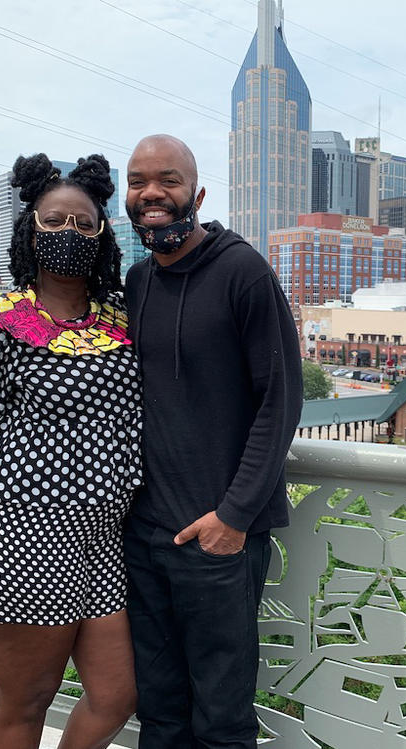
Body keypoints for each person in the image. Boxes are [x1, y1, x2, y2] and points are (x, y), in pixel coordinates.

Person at [0, 153, 140, 749]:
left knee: (118, 695)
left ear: (102, 236)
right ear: (28, 230)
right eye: (53, 222)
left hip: (101, 547)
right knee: (26, 702)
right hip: (18, 548)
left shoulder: (122, 322)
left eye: (84, 224)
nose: (69, 233)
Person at [123, 134, 303, 748]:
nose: (152, 194)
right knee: (161, 711)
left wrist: (234, 516)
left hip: (217, 540)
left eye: (167, 181)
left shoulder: (242, 271)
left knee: (222, 721)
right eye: (139, 181)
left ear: (195, 194)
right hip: (145, 537)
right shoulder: (138, 279)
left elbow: (281, 399)